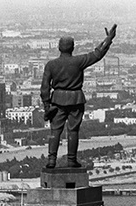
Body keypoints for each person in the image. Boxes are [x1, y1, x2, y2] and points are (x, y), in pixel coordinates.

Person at [41, 25, 117, 169]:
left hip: (57, 100)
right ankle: (71, 160)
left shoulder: (51, 65)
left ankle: (51, 161)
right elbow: (97, 54)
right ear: (73, 48)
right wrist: (109, 38)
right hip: (75, 98)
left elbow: (45, 87)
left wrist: (46, 106)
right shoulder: (78, 61)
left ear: (59, 48)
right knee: (73, 130)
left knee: (55, 131)